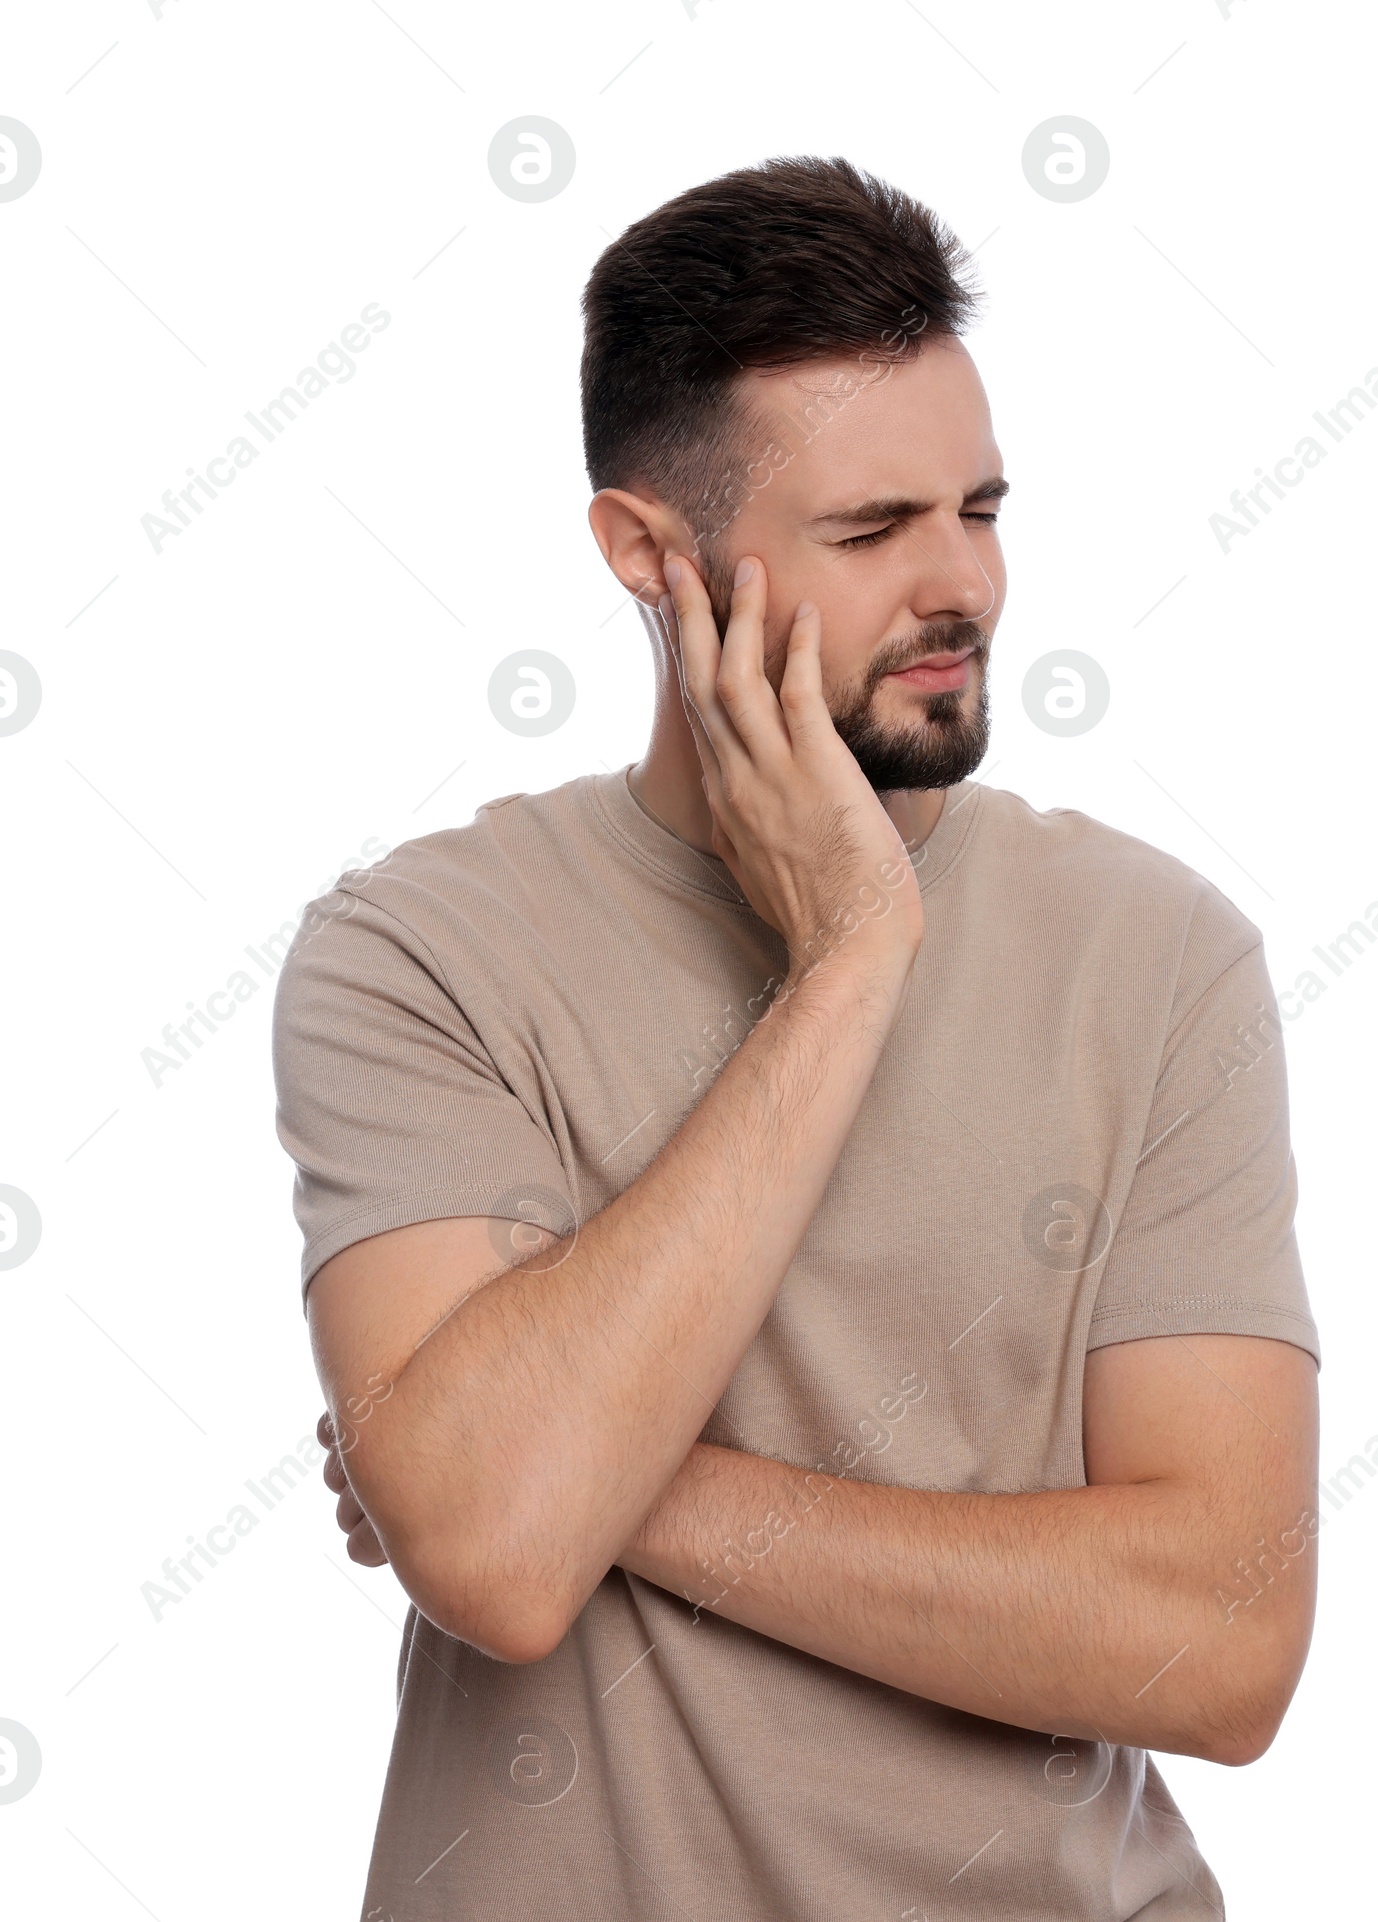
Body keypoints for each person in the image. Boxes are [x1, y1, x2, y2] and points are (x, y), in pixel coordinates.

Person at [274, 153, 1320, 1921]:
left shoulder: (1160, 958)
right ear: (647, 556)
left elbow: (1220, 1646)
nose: (960, 588)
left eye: (979, 509)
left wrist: (598, 1473)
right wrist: (849, 956)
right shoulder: (418, 951)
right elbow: (506, 1570)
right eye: (869, 531)